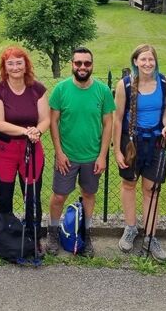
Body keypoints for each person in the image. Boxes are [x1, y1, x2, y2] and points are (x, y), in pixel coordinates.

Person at [47, 47, 115, 257]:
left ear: (92, 65)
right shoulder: (61, 89)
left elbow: (108, 125)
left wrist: (102, 156)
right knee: (59, 196)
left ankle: (86, 235)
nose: (82, 67)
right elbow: (53, 122)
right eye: (78, 63)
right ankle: (52, 232)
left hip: (92, 157)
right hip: (66, 156)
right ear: (72, 64)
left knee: (89, 194)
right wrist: (59, 152)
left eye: (87, 63)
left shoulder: (102, 91)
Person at [112, 43, 166, 261]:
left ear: (155, 61)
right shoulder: (126, 85)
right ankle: (130, 228)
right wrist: (116, 152)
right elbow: (117, 118)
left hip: (156, 143)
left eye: (151, 59)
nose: (148, 63)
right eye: (143, 60)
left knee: (152, 189)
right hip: (131, 142)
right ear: (135, 62)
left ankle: (151, 236)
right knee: (128, 184)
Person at [0, 46, 50, 247]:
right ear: (4, 68)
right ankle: (3, 238)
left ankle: (34, 238)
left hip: (31, 149)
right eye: (10, 63)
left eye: (19, 63)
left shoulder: (38, 89)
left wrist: (37, 132)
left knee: (32, 196)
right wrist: (26, 131)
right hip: (4, 150)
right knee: (3, 195)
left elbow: (45, 120)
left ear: (26, 65)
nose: (15, 67)